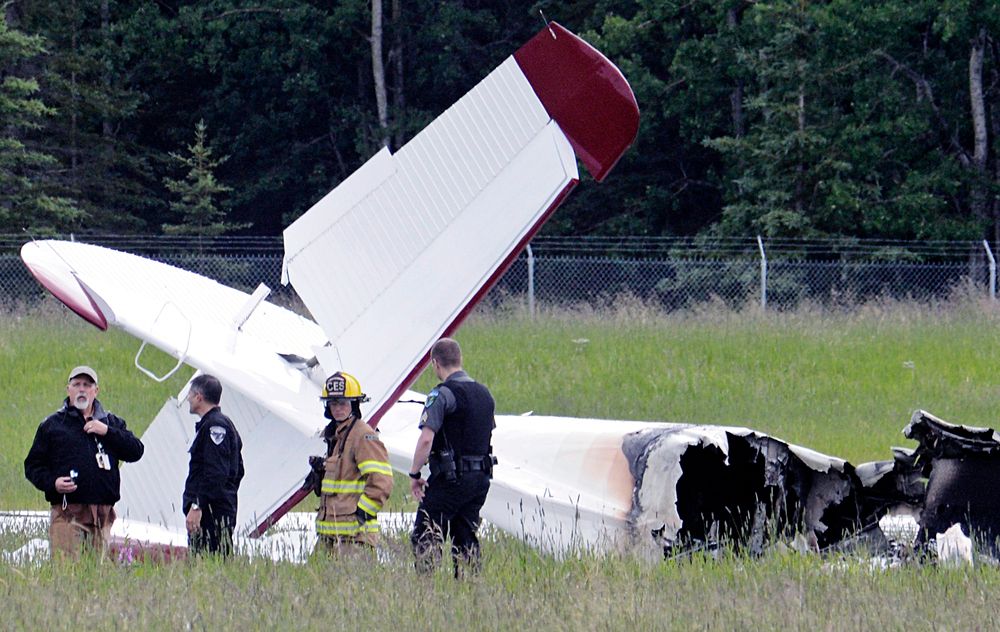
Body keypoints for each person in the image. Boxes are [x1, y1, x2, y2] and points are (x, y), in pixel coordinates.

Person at [24, 365, 145, 559]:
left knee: (95, 575)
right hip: (67, 512)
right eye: (77, 384)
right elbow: (32, 466)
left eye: (87, 385)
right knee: (67, 572)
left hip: (102, 514)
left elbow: (136, 451)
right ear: (68, 390)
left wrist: (106, 431)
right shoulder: (53, 425)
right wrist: (53, 483)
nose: (82, 389)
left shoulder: (111, 422)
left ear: (95, 391)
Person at [408, 338, 496, 577]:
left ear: (435, 363)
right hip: (480, 480)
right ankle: (469, 591)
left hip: (451, 478)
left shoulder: (442, 394)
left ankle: (425, 591)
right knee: (465, 537)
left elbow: (427, 439)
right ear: (460, 360)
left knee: (426, 534)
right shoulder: (485, 395)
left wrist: (415, 473)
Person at [313, 371, 394, 555]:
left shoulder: (363, 436)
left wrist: (362, 515)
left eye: (343, 403)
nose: (338, 408)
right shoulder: (335, 436)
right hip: (329, 536)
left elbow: (382, 481)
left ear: (354, 405)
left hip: (355, 540)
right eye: (333, 403)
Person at [182, 374, 245, 556]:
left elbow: (216, 473)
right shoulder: (218, 424)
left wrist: (198, 505)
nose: (188, 399)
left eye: (190, 395)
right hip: (216, 509)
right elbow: (238, 470)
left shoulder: (215, 427)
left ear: (199, 397)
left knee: (209, 562)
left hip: (211, 514)